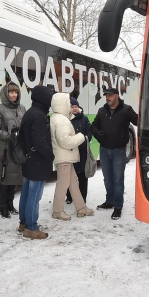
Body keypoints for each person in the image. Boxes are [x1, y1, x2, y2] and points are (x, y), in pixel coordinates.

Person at [91, 88, 138, 221]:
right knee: (107, 178)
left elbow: (137, 121)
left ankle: (118, 207)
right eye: (106, 95)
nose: (107, 98)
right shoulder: (102, 111)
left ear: (117, 96)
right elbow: (94, 126)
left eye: (110, 95)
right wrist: (97, 134)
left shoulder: (126, 110)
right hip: (104, 150)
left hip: (119, 151)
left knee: (118, 180)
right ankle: (109, 201)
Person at [18, 85, 55, 239]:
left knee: (26, 193)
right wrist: (50, 156)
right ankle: (31, 228)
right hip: (37, 161)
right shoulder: (39, 115)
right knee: (34, 195)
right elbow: (40, 142)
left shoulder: (30, 112)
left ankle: (24, 223)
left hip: (29, 159)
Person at [50, 92, 94, 220]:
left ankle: (81, 207)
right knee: (62, 184)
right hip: (64, 157)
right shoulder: (62, 120)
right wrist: (81, 136)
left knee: (73, 183)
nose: (70, 105)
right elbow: (65, 141)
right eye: (68, 103)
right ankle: (57, 211)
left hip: (66, 156)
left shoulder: (58, 117)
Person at [0, 82, 26, 219]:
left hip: (18, 149)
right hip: (5, 149)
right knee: (4, 178)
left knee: (15, 177)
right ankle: (2, 207)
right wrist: (10, 137)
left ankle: (10, 204)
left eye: (16, 92)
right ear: (6, 93)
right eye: (11, 92)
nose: (14, 95)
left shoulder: (22, 108)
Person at [66, 97, 92, 205]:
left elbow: (89, 132)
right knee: (70, 175)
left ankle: (83, 197)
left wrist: (85, 140)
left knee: (82, 176)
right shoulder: (66, 119)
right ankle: (69, 197)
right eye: (72, 107)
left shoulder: (84, 119)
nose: (74, 109)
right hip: (71, 152)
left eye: (76, 106)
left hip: (82, 152)